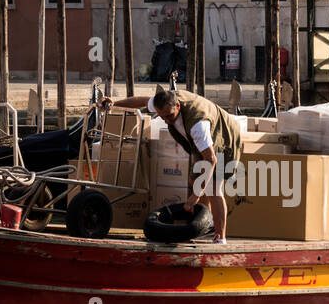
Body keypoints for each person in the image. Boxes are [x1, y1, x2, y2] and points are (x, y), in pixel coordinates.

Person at [101, 87, 242, 243]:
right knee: (195, 181)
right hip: (201, 140)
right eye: (162, 117)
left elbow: (211, 160)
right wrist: (114, 103)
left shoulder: (197, 125)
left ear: (178, 106)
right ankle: (205, 225)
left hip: (224, 135)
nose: (167, 121)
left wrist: (194, 197)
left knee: (213, 188)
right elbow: (140, 101)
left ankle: (220, 238)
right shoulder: (164, 103)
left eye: (169, 116)